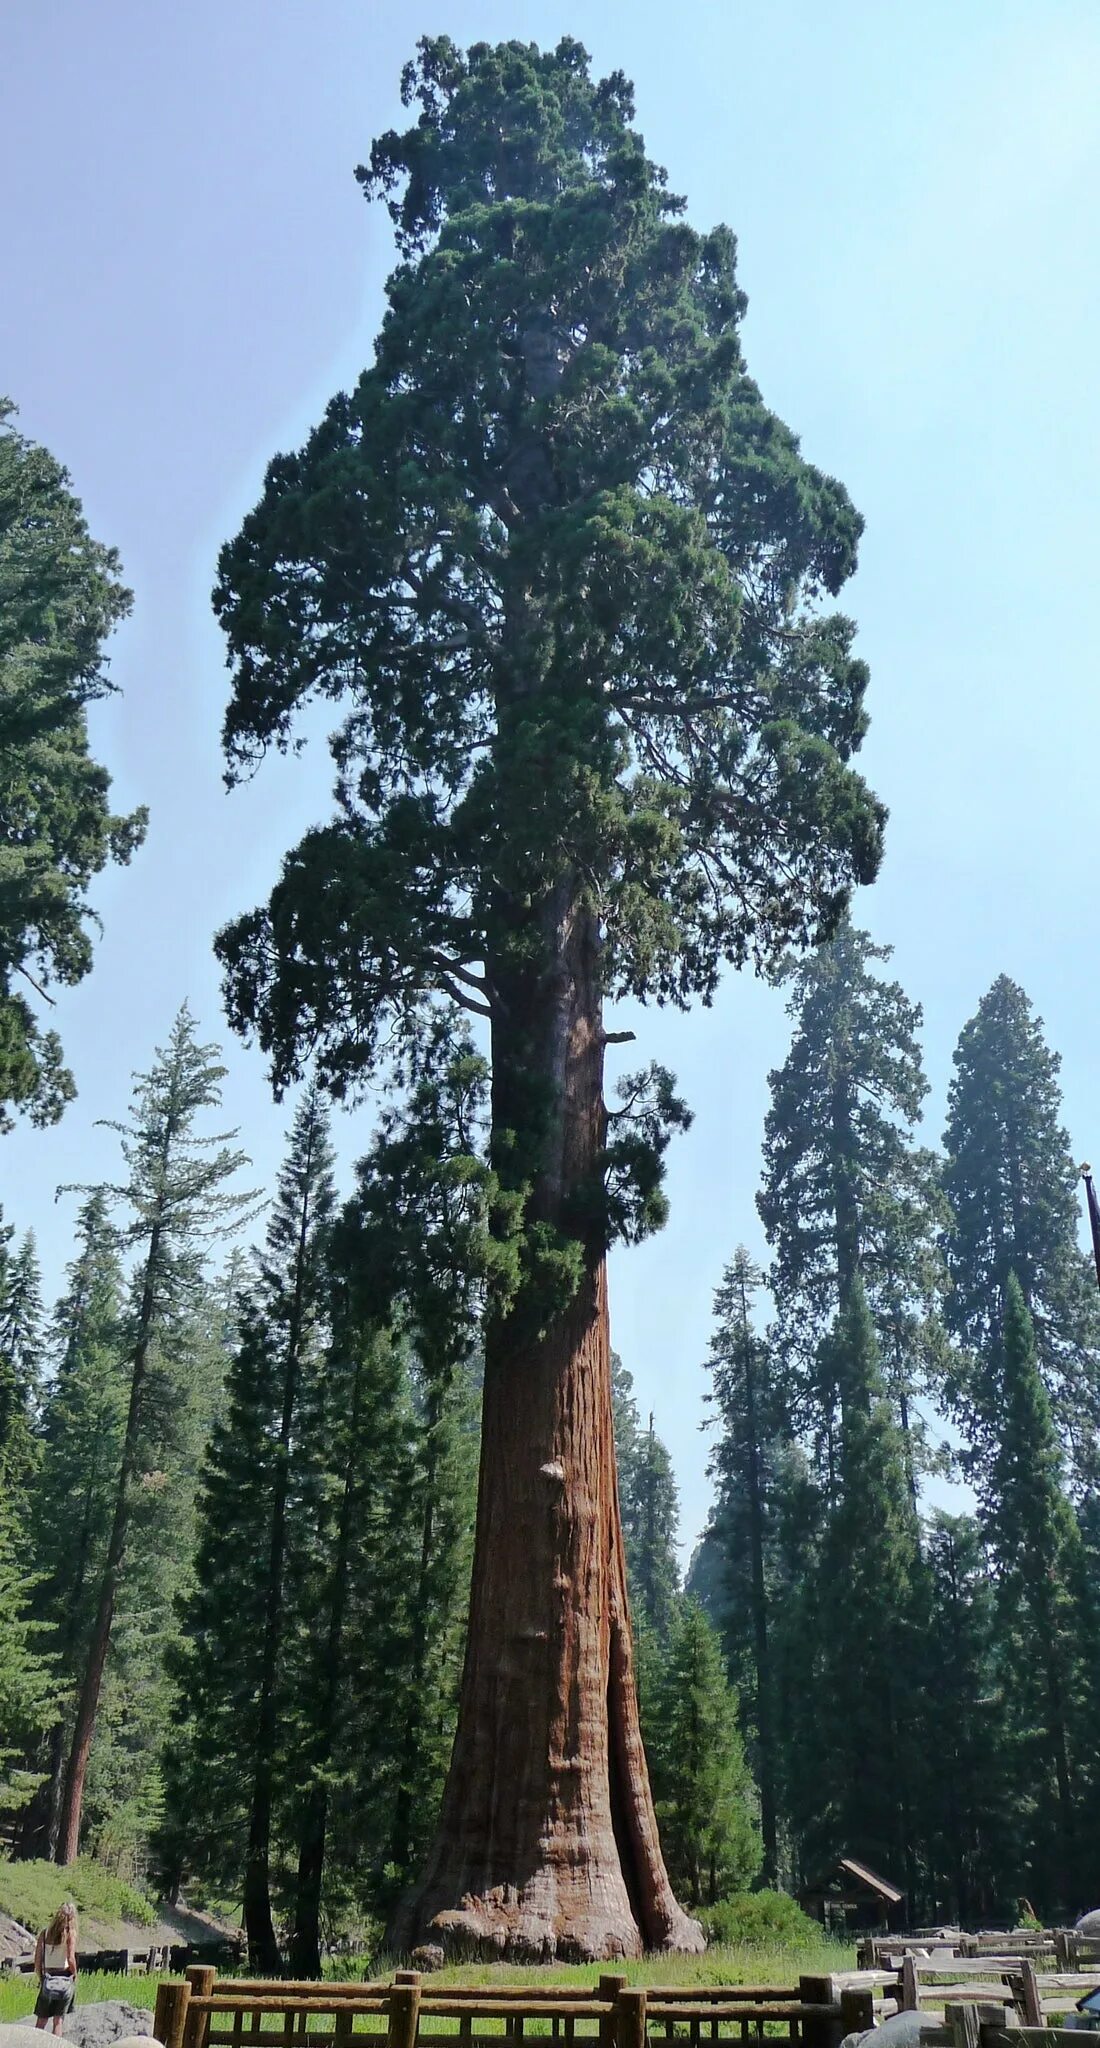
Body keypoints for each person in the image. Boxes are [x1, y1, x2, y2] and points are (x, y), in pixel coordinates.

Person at [34, 1902, 77, 2036]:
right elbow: (70, 1958)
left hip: (48, 1977)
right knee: (58, 2021)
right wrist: (75, 1974)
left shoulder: (45, 1933)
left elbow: (37, 1960)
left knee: (41, 2020)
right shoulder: (71, 1934)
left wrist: (41, 1977)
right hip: (64, 1977)